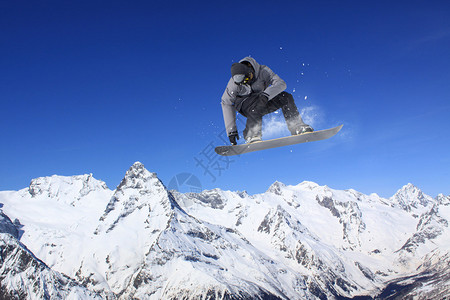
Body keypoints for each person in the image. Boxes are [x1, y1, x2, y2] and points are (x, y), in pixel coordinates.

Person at [221, 56, 313, 145]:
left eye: (248, 78)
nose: (247, 82)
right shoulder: (233, 83)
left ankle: (297, 126)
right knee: (255, 105)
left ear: (250, 71)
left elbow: (281, 83)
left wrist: (266, 95)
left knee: (286, 97)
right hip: (244, 105)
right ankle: (252, 133)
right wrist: (231, 130)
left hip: (262, 100)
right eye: (242, 82)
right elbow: (226, 102)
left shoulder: (264, 71)